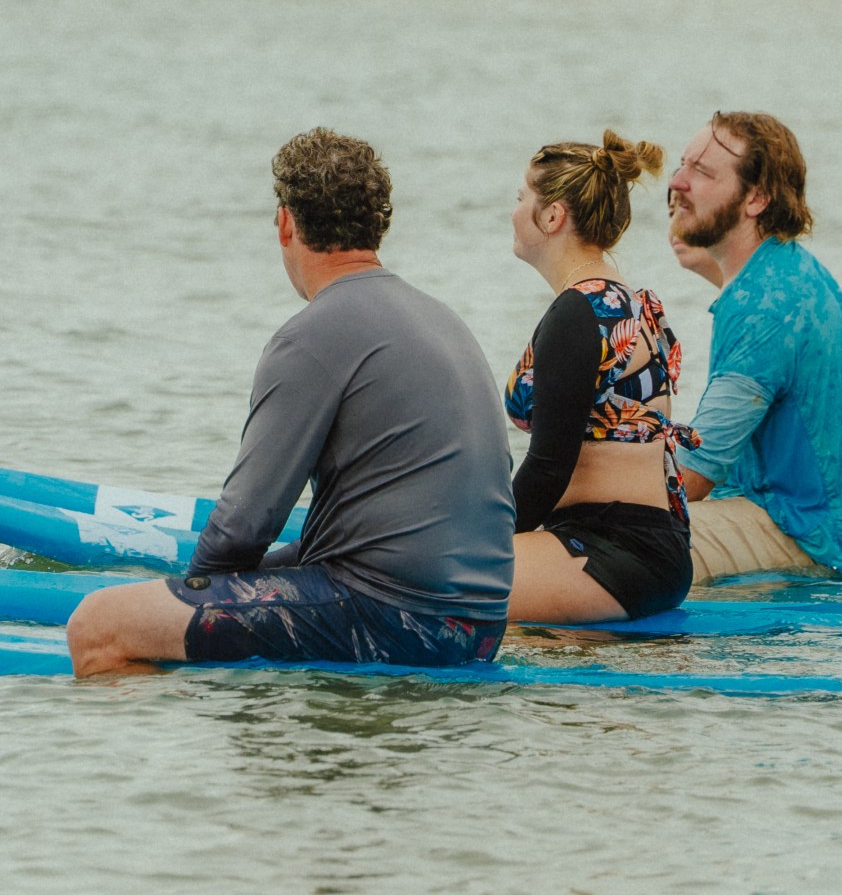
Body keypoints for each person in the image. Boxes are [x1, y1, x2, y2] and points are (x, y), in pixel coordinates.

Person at [66, 130, 514, 676]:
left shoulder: (311, 336)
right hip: (481, 623)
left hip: (399, 622)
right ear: (380, 224)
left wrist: (189, 598)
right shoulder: (443, 320)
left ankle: (187, 739)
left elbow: (245, 522)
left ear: (286, 222)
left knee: (98, 624)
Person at [663, 112, 842, 586]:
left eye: (702, 172)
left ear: (756, 198)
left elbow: (690, 478)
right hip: (821, 529)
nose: (677, 182)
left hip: (815, 546)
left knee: (625, 544)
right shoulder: (784, 269)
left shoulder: (765, 307)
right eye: (682, 164)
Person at [502, 132, 696, 624]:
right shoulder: (620, 301)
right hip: (648, 546)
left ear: (552, 216)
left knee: (426, 579)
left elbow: (549, 465)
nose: (512, 210)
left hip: (612, 551)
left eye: (521, 197)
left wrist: (487, 543)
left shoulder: (579, 311)